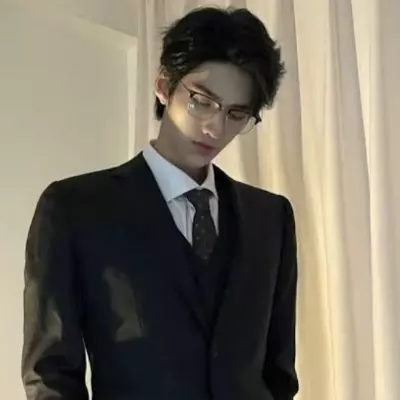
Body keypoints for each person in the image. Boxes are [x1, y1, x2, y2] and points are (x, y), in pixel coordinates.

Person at [22, 6, 299, 400]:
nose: (216, 128)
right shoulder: (75, 209)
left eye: (237, 113)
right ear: (164, 85)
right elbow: (51, 376)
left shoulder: (270, 219)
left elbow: (279, 374)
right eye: (202, 101)